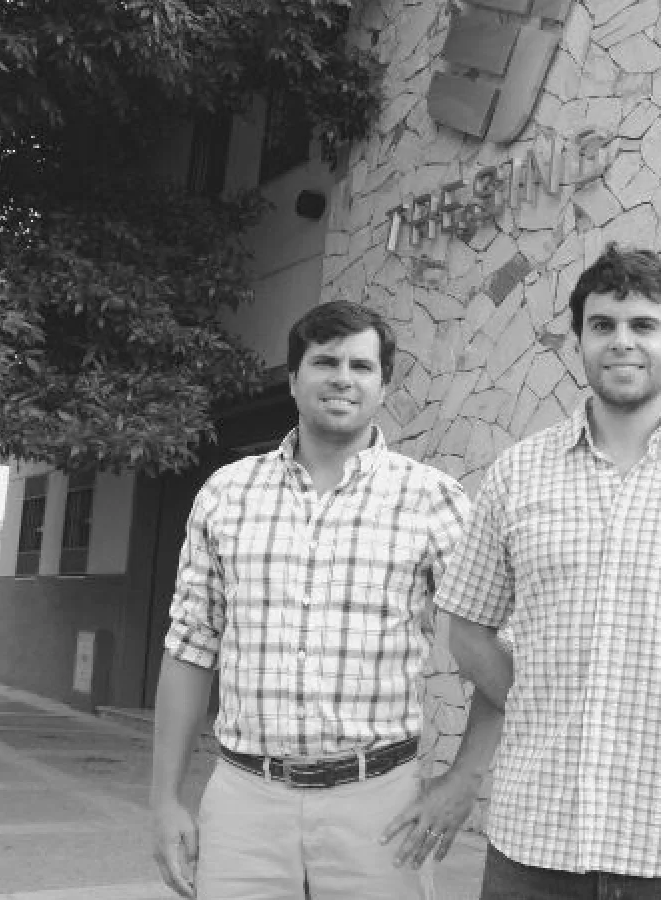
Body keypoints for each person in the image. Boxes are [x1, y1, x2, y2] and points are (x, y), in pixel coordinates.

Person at [383, 243, 661, 899]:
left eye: (643, 325)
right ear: (580, 341)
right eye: (603, 325)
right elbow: (466, 624)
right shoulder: (517, 474)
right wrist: (540, 695)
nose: (622, 341)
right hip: (534, 845)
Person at [149, 301, 470, 900]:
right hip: (245, 800)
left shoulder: (434, 500)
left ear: (383, 385)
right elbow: (190, 647)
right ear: (294, 380)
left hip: (380, 803)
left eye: (361, 366)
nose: (342, 378)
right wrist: (164, 799)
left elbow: (492, 644)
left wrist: (464, 779)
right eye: (325, 362)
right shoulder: (226, 493)